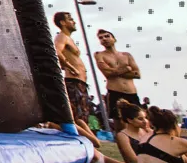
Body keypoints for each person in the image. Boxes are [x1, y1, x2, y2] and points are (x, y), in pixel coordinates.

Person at [53, 11, 95, 140]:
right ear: (63, 22)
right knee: (77, 115)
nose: (74, 21)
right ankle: (81, 139)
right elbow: (56, 51)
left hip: (80, 82)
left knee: (83, 114)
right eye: (70, 19)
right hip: (73, 80)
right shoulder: (62, 36)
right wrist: (69, 67)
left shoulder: (68, 38)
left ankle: (86, 139)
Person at [94, 29, 141, 128]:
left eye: (107, 36)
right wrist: (127, 68)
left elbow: (137, 74)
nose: (104, 39)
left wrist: (115, 71)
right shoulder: (100, 55)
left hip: (131, 92)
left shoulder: (126, 55)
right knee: (119, 122)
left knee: (137, 118)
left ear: (114, 39)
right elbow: (107, 73)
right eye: (101, 38)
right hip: (115, 91)